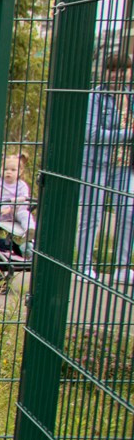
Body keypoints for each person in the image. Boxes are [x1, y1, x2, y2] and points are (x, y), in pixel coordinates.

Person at [78, 52, 133, 281]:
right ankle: (83, 265)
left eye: (123, 70)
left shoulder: (131, 97)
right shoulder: (96, 98)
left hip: (126, 166)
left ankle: (121, 268)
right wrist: (128, 134)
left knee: (129, 212)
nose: (118, 75)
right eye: (112, 70)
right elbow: (90, 133)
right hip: (96, 164)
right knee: (92, 215)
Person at [0, 152, 36, 254]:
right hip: (1, 210)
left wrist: (11, 208)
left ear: (20, 171)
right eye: (5, 169)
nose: (8, 172)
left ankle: (29, 230)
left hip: (16, 211)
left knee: (26, 214)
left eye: (13, 170)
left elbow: (24, 199)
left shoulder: (21, 185)